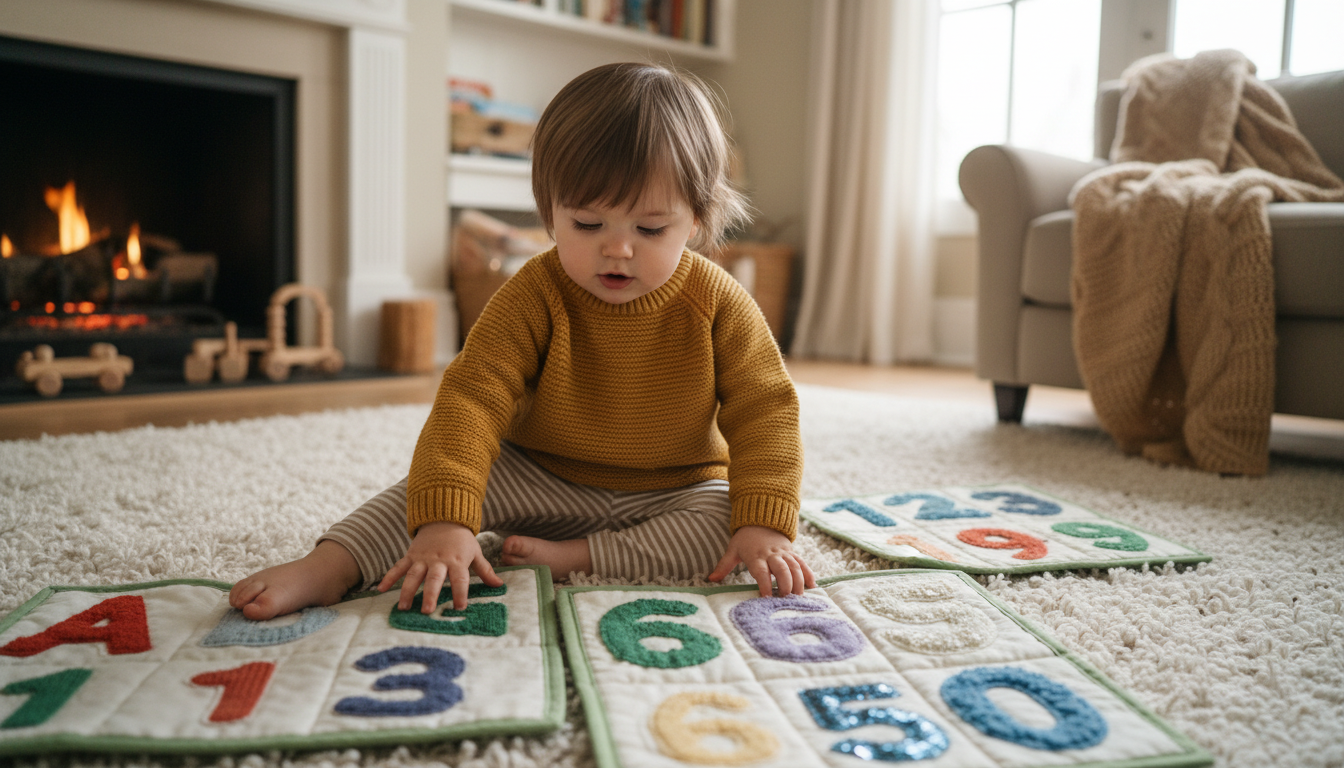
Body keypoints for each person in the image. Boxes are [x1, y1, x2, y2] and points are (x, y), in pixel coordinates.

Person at [230, 62, 813, 621]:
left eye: (650, 229)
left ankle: (578, 559)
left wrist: (762, 523)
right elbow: (472, 399)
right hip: (535, 472)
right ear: (549, 211)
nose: (618, 248)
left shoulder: (719, 301)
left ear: (699, 220)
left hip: (670, 489)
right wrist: (445, 522)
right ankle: (328, 566)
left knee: (725, 524)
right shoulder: (533, 291)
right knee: (425, 495)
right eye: (588, 224)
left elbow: (766, 410)